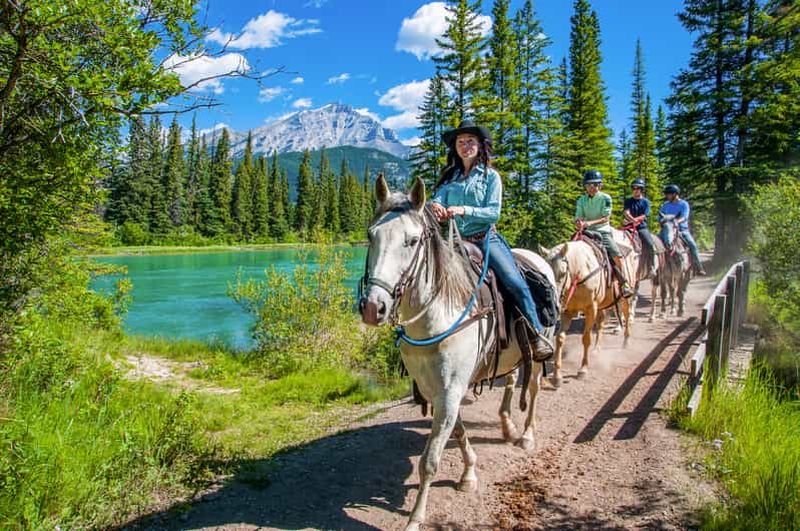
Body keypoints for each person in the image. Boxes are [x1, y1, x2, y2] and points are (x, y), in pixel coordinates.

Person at [430, 121, 554, 357]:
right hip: (456, 242)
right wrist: (435, 205)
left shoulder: (491, 177)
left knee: (514, 281)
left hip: (486, 239)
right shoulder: (450, 178)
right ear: (455, 148)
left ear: (479, 146)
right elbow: (437, 199)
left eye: (470, 141)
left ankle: (536, 334)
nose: (465, 146)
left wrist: (464, 210)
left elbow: (493, 212)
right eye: (460, 142)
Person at [574, 170, 634, 298]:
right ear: (585, 186)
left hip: (602, 231)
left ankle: (624, 283)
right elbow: (578, 216)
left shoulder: (605, 198)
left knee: (616, 254)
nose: (592, 187)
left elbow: (605, 217)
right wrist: (578, 222)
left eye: (595, 185)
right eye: (589, 185)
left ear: (600, 185)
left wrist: (589, 223)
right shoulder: (581, 200)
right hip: (585, 232)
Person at [659, 184, 707, 275]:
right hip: (667, 229)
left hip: (682, 230)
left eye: (668, 194)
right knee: (655, 243)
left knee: (693, 246)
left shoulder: (684, 204)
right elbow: (660, 216)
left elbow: (684, 217)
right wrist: (662, 221)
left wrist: (677, 222)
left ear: (675, 194)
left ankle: (698, 267)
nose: (667, 196)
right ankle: (655, 268)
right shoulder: (665, 205)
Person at [623, 178, 658, 277]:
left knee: (650, 244)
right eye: (633, 188)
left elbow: (644, 215)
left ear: (641, 189)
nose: (635, 190)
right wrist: (631, 220)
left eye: (638, 188)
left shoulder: (645, 202)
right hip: (628, 227)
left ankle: (651, 267)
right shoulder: (628, 201)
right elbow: (626, 212)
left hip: (641, 228)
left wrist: (634, 220)